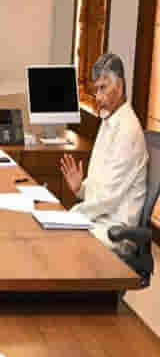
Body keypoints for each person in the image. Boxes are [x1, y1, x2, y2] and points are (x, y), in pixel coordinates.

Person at [60, 53, 148, 245]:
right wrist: (80, 189)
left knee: (61, 242)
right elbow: (102, 189)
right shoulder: (109, 121)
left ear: (120, 86)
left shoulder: (128, 130)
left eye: (103, 88)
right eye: (95, 90)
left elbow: (107, 199)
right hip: (98, 220)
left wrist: (70, 215)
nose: (98, 97)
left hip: (116, 231)